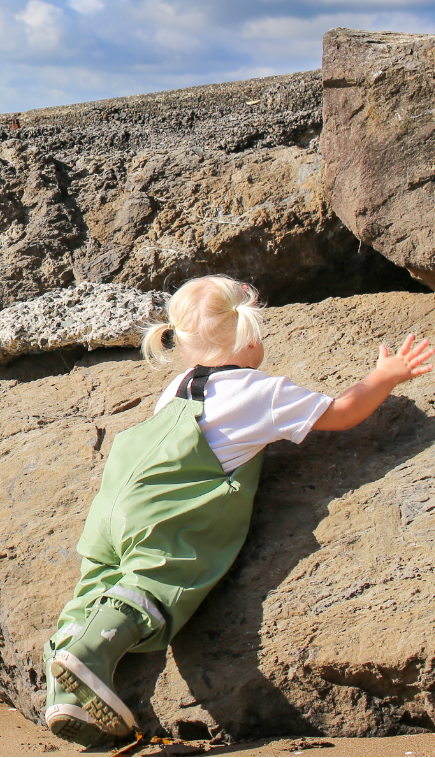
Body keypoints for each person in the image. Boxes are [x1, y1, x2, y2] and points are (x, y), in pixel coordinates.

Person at [43, 274, 432, 747]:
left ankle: (64, 688)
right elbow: (343, 412)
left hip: (116, 498)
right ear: (251, 336)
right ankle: (91, 653)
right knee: (155, 579)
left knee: (98, 579)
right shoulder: (260, 392)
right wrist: (387, 374)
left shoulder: (179, 385)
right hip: (164, 509)